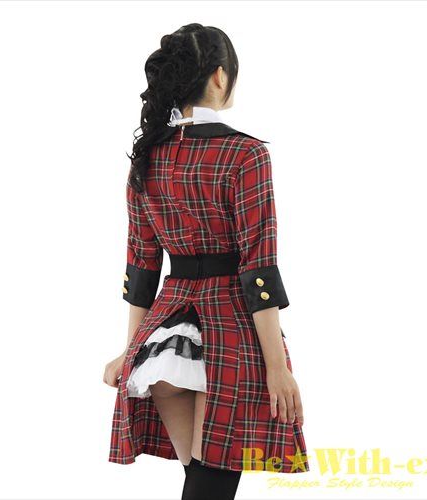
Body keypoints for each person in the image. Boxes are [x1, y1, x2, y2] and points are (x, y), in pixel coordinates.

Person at [103, 23, 309, 500]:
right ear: (220, 76)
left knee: (202, 482)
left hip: (164, 337)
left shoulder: (148, 158)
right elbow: (257, 266)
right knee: (211, 485)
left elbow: (141, 267)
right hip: (231, 327)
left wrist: (131, 351)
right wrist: (277, 368)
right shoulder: (245, 154)